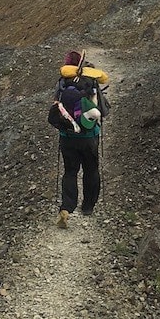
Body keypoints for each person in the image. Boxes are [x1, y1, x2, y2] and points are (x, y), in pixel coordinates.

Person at [49, 51, 110, 229]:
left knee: (70, 171)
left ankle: (67, 208)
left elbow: (56, 107)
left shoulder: (62, 83)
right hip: (89, 137)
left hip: (67, 137)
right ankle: (88, 206)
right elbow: (103, 111)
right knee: (91, 169)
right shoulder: (92, 82)